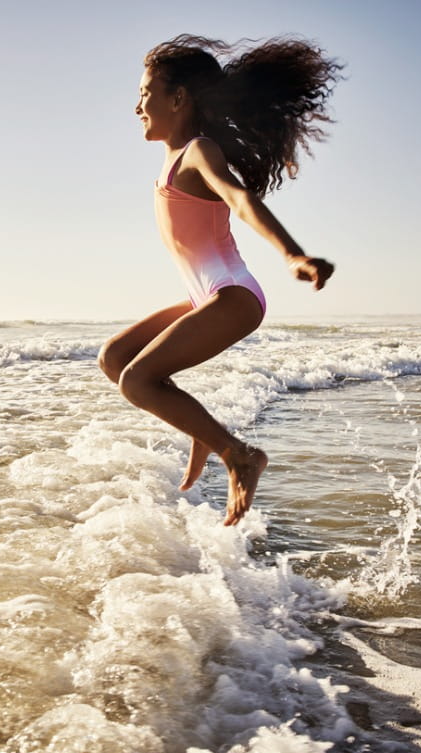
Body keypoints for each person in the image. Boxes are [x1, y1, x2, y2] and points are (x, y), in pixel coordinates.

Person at [98, 34, 341, 526]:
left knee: (138, 380)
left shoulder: (197, 150)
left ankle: (238, 454)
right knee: (116, 358)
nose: (138, 105)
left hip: (232, 295)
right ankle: (204, 431)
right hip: (205, 293)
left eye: (146, 92)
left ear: (178, 98)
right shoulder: (172, 158)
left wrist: (292, 253)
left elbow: (239, 198)